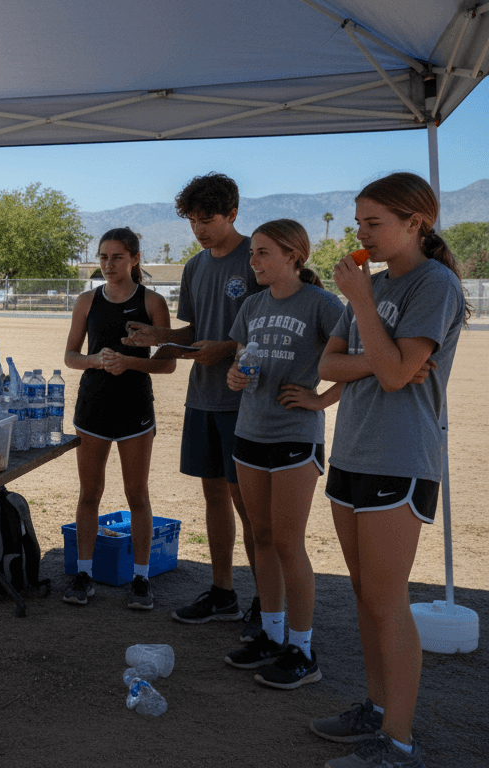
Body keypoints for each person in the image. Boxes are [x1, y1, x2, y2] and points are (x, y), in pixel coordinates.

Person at [311, 173, 464, 768]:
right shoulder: (374, 287)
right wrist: (382, 358)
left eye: (373, 223)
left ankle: (399, 743)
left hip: (400, 456)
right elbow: (330, 363)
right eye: (358, 224)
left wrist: (367, 319)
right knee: (365, 596)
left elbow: (400, 375)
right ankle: (376, 710)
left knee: (387, 597)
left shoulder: (434, 283)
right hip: (353, 449)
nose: (361, 235)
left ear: (414, 223)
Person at [124, 172, 266, 634]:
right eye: (192, 221)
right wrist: (160, 336)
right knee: (214, 497)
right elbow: (194, 332)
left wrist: (225, 349)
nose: (200, 229)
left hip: (245, 401)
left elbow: (265, 331)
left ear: (233, 213)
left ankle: (268, 603)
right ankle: (223, 591)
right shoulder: (194, 266)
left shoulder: (257, 259)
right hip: (203, 398)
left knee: (250, 505)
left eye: (208, 220)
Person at [219, 220, 343, 691]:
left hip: (295, 435)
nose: (253, 262)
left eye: (262, 253)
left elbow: (362, 359)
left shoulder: (323, 304)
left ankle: (302, 649)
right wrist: (235, 376)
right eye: (253, 253)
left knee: (290, 544)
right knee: (262, 536)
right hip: (249, 432)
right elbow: (240, 358)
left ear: (293, 255)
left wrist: (321, 399)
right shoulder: (251, 305)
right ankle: (271, 635)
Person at [61, 228, 175, 609]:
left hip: (135, 409)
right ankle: (84, 573)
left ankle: (140, 579)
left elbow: (168, 363)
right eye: (104, 257)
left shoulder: (154, 302)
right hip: (92, 409)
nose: (109, 265)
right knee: (89, 494)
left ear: (135, 259)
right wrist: (96, 360)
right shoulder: (86, 301)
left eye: (118, 258)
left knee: (136, 494)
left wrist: (128, 363)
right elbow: (71, 356)